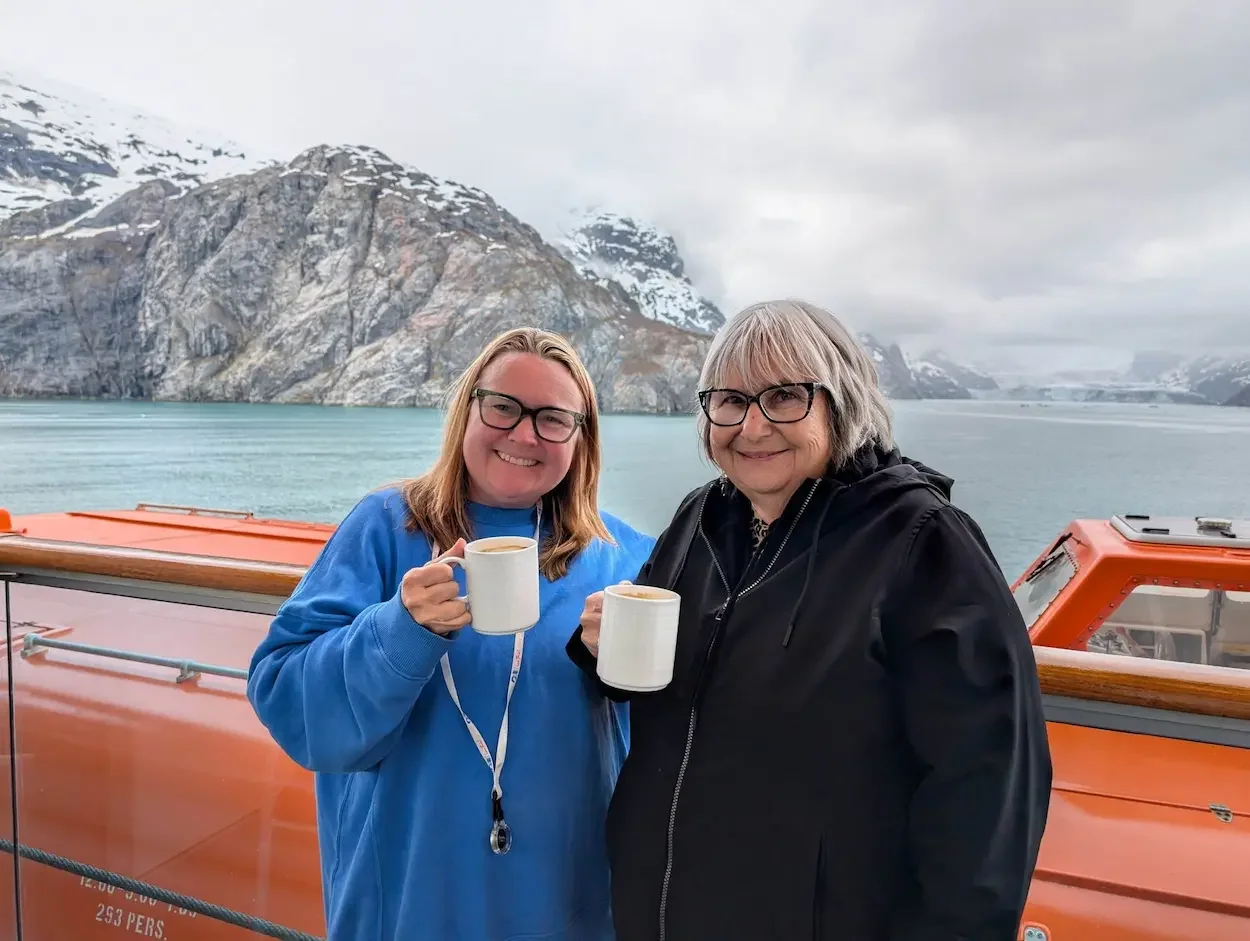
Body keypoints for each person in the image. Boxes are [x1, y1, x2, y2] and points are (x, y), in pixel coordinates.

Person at [568, 299, 1053, 941]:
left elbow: (990, 791)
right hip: (659, 911)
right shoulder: (703, 519)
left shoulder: (922, 542)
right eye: (730, 400)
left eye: (785, 397)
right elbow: (675, 683)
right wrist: (601, 650)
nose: (753, 426)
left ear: (841, 403)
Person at [247, 327, 655, 941]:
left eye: (553, 419)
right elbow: (287, 698)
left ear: (581, 438)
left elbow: (677, 734)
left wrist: (629, 676)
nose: (523, 435)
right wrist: (399, 631)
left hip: (572, 903)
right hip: (409, 900)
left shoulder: (624, 560)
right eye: (503, 407)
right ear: (467, 409)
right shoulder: (386, 528)